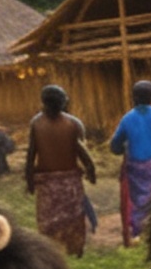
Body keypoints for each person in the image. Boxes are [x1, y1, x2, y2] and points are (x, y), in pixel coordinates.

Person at [23, 82, 97, 256]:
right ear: (63, 103)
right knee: (70, 215)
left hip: (58, 180)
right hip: (62, 180)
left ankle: (69, 247)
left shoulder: (59, 124)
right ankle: (71, 247)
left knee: (58, 217)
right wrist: (90, 168)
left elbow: (31, 154)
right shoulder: (66, 123)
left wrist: (29, 179)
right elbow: (33, 153)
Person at [108, 78, 151, 244]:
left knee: (138, 199)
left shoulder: (128, 119)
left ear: (134, 97)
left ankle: (138, 232)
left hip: (136, 167)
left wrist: (121, 149)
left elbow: (115, 145)